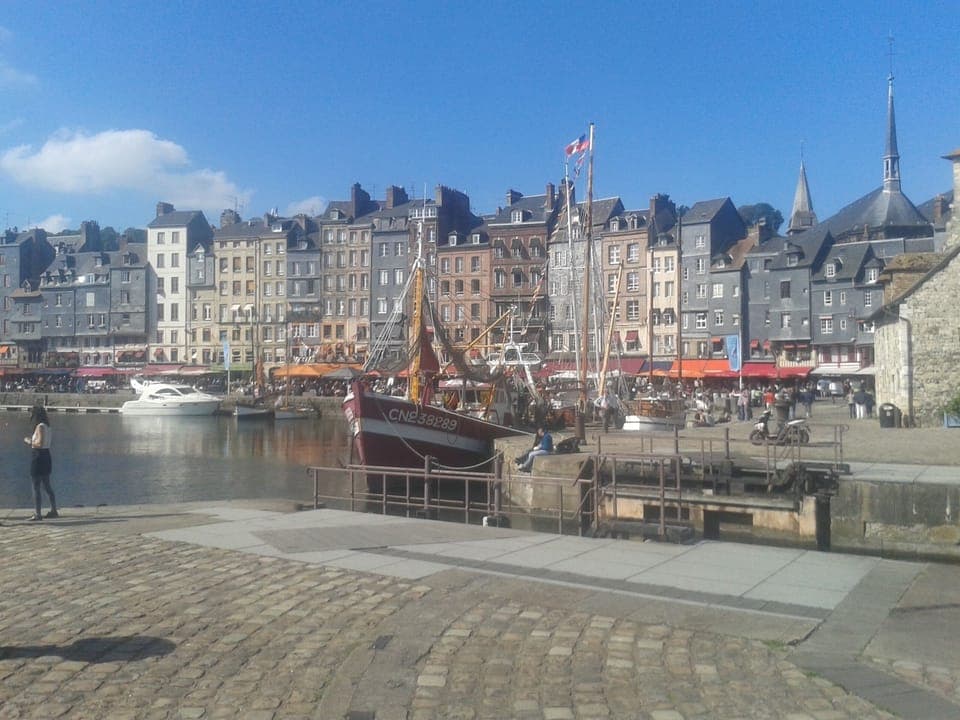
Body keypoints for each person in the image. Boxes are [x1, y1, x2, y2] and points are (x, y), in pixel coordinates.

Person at [24, 404, 57, 521]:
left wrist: (29, 441)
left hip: (39, 456)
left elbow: (40, 443)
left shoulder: (40, 427)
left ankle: (38, 513)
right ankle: (53, 509)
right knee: (47, 485)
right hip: (46, 455)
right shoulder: (48, 426)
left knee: (36, 486)